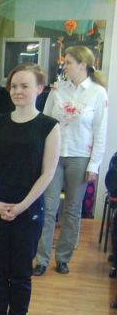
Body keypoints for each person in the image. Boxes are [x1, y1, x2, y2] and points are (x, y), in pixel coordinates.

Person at [0, 64, 60, 315]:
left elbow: (47, 173)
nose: (18, 91)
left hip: (29, 208)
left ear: (39, 88)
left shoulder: (49, 126)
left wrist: (23, 205)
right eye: (14, 86)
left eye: (25, 86)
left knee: (21, 272)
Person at [33, 45, 108, 275]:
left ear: (82, 65)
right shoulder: (57, 89)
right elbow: (44, 122)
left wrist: (94, 165)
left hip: (81, 157)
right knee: (48, 207)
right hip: (54, 155)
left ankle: (63, 258)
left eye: (68, 63)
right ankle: (41, 258)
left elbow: (100, 132)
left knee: (72, 210)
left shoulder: (97, 93)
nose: (64, 66)